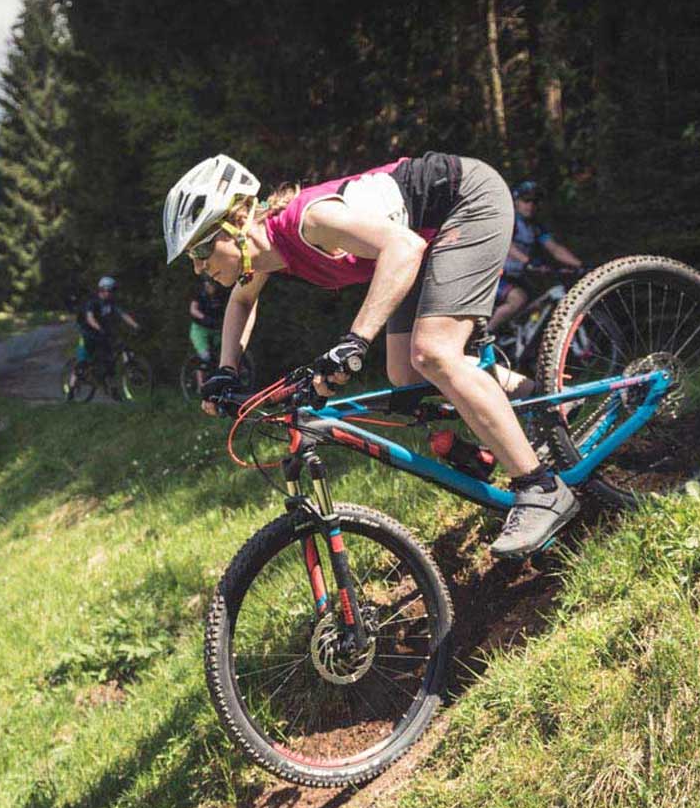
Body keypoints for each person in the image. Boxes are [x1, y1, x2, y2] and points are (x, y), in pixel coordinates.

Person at [163, 153, 578, 559]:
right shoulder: (266, 254)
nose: (198, 269)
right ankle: (547, 395)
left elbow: (403, 247)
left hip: (465, 201)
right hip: (421, 239)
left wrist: (354, 342)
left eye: (200, 252)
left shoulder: (309, 222)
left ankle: (541, 489)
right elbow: (241, 302)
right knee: (405, 372)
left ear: (237, 223)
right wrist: (225, 372)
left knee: (433, 353)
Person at [484, 178, 583, 337]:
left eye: (535, 201)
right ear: (516, 202)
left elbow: (555, 249)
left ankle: (517, 342)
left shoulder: (536, 227)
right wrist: (527, 261)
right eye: (526, 200)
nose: (530, 205)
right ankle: (483, 339)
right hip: (496, 275)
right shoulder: (510, 221)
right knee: (518, 299)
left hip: (518, 277)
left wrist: (580, 265)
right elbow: (507, 244)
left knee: (540, 302)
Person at [76, 276, 140, 372]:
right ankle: (72, 385)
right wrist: (99, 328)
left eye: (113, 290)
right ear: (103, 289)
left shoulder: (111, 303)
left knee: (110, 356)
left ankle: (110, 377)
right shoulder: (93, 302)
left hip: (102, 332)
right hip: (89, 333)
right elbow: (90, 319)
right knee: (82, 365)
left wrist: (136, 325)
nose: (113, 293)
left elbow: (123, 315)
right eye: (111, 290)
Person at [187, 274, 228, 392]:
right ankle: (201, 386)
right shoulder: (200, 295)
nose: (211, 287)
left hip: (215, 328)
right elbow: (193, 309)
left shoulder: (219, 295)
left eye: (213, 284)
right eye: (209, 284)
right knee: (205, 357)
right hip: (200, 330)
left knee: (223, 352)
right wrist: (203, 317)